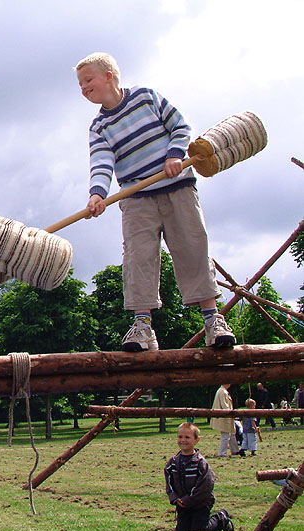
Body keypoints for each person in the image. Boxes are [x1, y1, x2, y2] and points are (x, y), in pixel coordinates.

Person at [74, 52, 236, 352]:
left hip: (177, 187)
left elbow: (180, 126)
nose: (83, 88)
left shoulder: (146, 97)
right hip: (136, 199)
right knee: (138, 258)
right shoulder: (99, 127)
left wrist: (175, 155)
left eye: (88, 80)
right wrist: (97, 194)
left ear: (109, 76)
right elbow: (101, 162)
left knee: (192, 247)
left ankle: (213, 320)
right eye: (80, 84)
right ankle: (143, 327)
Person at [164, 422, 234, 531]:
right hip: (182, 504)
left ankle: (221, 518)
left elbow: (205, 486)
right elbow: (169, 483)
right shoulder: (173, 463)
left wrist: (189, 499)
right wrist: (176, 498)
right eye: (180, 437)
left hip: (200, 503)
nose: (183, 440)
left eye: (187, 437)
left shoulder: (200, 463)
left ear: (196, 440)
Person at [210, 384, 240, 457]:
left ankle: (235, 450)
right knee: (226, 435)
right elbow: (224, 405)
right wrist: (231, 414)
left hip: (226, 417)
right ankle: (222, 453)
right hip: (225, 418)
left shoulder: (222, 391)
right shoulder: (223, 392)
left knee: (232, 433)